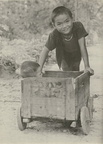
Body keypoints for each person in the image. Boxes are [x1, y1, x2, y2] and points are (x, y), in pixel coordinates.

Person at [38, 6, 94, 75]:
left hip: (76, 53)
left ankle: (75, 83)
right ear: (54, 25)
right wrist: (39, 70)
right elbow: (45, 51)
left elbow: (82, 47)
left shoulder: (78, 27)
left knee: (75, 71)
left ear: (72, 19)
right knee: (67, 73)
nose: (64, 26)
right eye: (59, 24)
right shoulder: (54, 35)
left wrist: (87, 66)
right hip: (63, 55)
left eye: (67, 21)